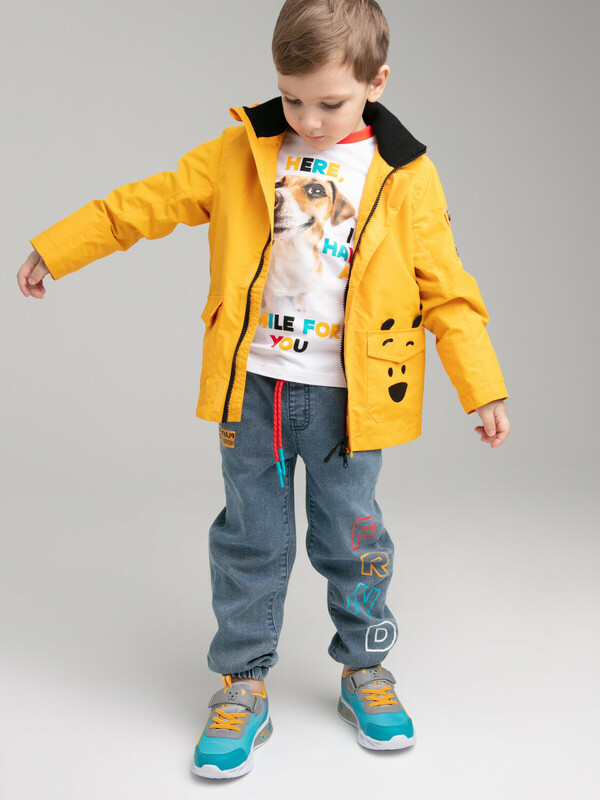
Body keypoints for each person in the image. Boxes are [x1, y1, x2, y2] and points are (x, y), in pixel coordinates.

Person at [17, 0, 510, 781]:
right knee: (250, 539)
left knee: (355, 539)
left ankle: (366, 669)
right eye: (291, 98)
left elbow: (446, 289)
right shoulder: (243, 152)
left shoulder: (406, 176)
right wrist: (59, 247)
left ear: (376, 83)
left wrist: (481, 387)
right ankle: (242, 684)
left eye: (330, 103)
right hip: (255, 392)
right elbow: (148, 202)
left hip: (351, 402)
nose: (307, 120)